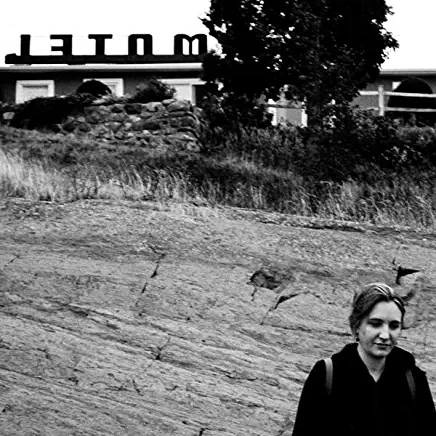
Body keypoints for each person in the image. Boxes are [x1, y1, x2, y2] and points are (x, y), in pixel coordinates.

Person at [292, 282, 436, 436]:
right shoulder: (326, 374)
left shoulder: (413, 378)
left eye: (394, 326)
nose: (385, 335)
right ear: (356, 326)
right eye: (375, 324)